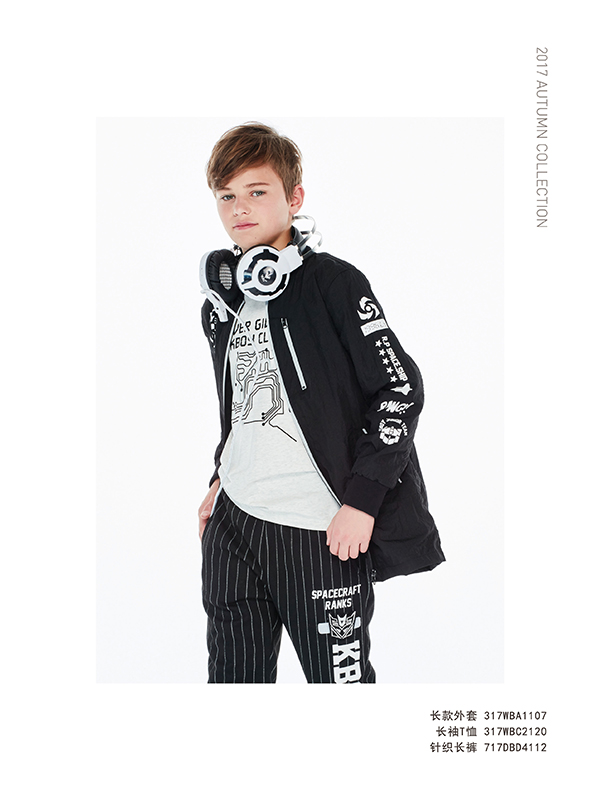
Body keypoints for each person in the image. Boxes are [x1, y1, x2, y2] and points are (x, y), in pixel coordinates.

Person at [198, 122, 445, 683]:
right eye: (226, 196)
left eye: (257, 191)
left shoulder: (335, 284)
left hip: (322, 530)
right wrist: (218, 477)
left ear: (294, 198)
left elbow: (400, 388)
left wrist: (362, 502)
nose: (240, 208)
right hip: (234, 525)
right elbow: (240, 406)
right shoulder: (222, 303)